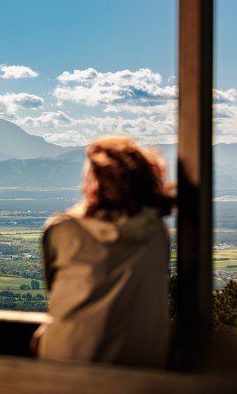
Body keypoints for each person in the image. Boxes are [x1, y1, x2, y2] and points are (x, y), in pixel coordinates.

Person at [37, 136, 174, 367]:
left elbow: (55, 291)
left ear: (93, 181)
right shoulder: (157, 232)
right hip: (142, 368)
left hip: (66, 361)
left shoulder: (64, 229)